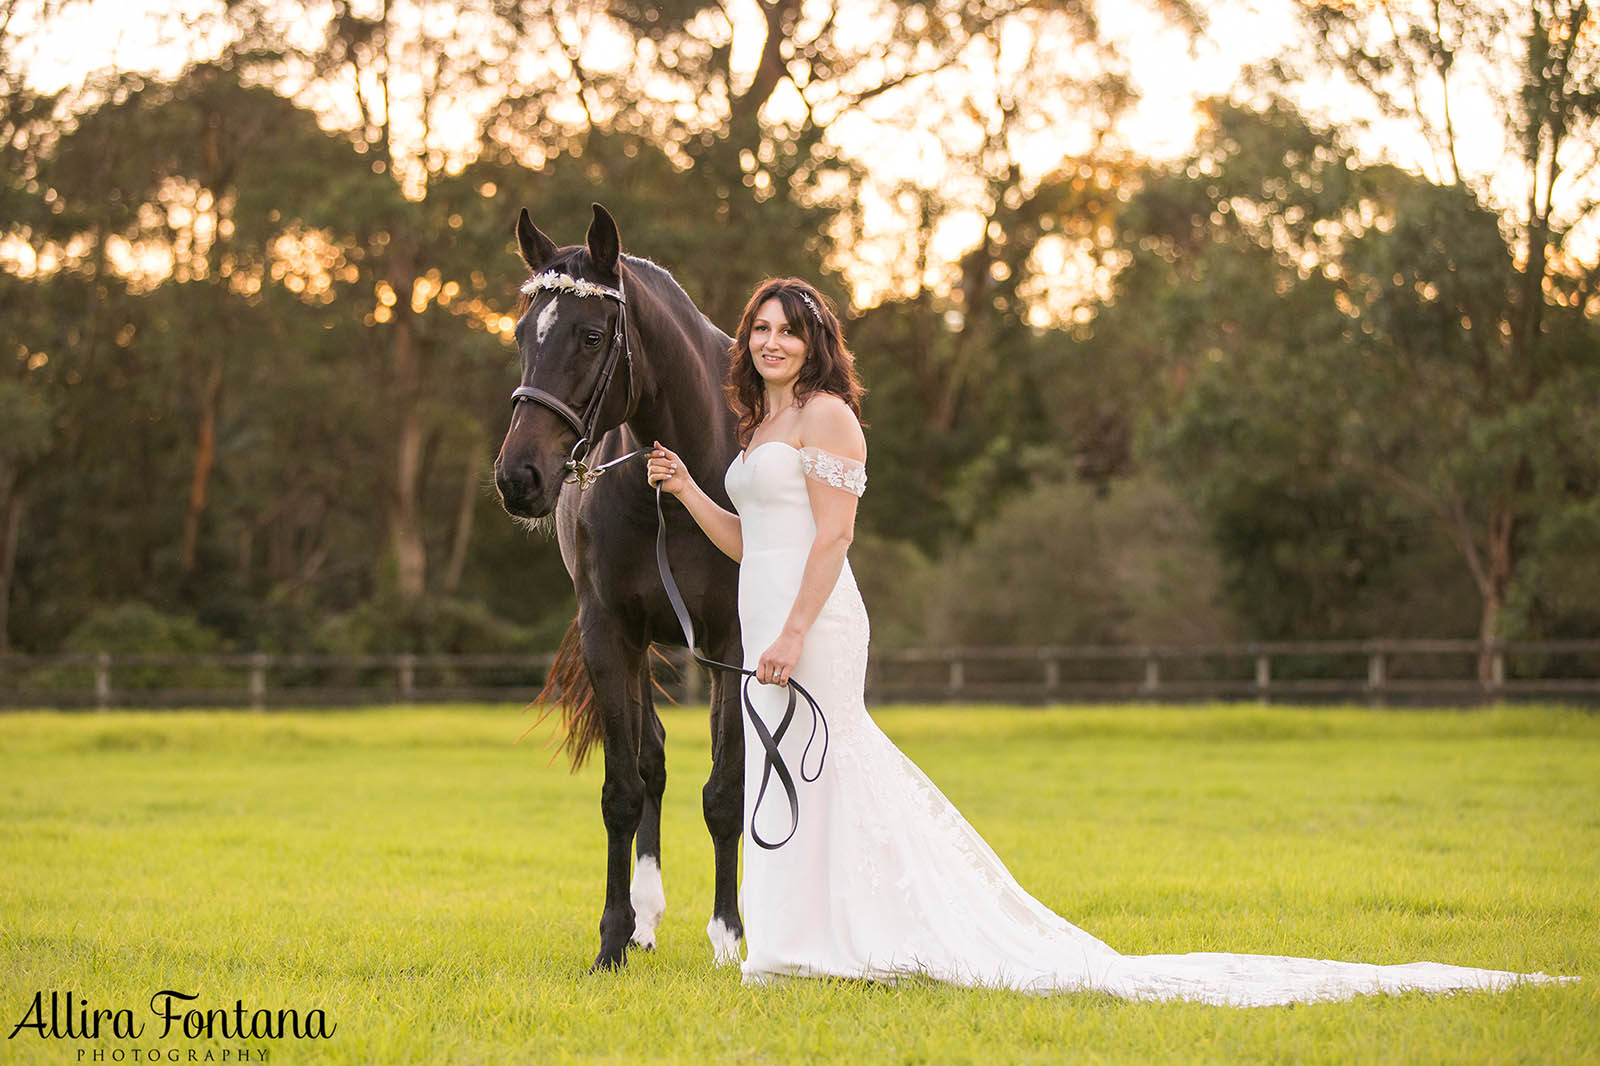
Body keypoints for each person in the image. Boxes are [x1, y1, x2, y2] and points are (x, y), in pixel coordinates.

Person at [645, 277, 1569, 1005]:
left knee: (828, 763)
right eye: (761, 327)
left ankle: (850, 939)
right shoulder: (758, 421)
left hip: (814, 619)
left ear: (815, 342)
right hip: (764, 612)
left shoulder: (827, 416)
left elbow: (834, 537)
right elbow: (747, 541)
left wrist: (798, 628)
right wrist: (690, 490)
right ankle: (791, 943)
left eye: (788, 329)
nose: (770, 341)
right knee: (781, 775)